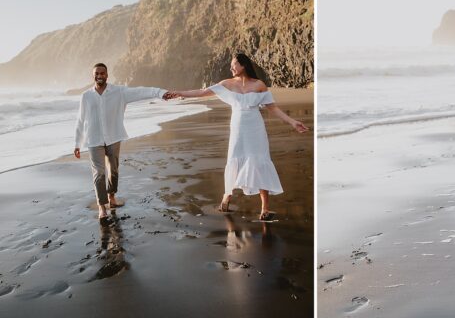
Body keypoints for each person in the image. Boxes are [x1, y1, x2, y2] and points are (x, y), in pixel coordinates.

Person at [166, 53, 308, 221]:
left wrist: (292, 122)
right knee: (234, 159)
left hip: (255, 129)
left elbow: (273, 108)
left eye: (234, 64)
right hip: (238, 129)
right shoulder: (226, 84)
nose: (231, 68)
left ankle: (265, 208)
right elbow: (203, 92)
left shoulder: (259, 85)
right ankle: (226, 197)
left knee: (260, 161)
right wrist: (178, 93)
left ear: (243, 66)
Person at [74, 63, 168, 220]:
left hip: (113, 137)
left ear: (107, 75)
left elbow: (141, 91)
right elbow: (80, 119)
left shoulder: (119, 92)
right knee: (99, 173)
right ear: (93, 75)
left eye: (103, 73)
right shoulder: (86, 96)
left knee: (114, 170)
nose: (100, 75)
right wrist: (77, 143)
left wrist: (160, 93)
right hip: (93, 139)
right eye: (97, 73)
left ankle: (111, 197)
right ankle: (102, 206)